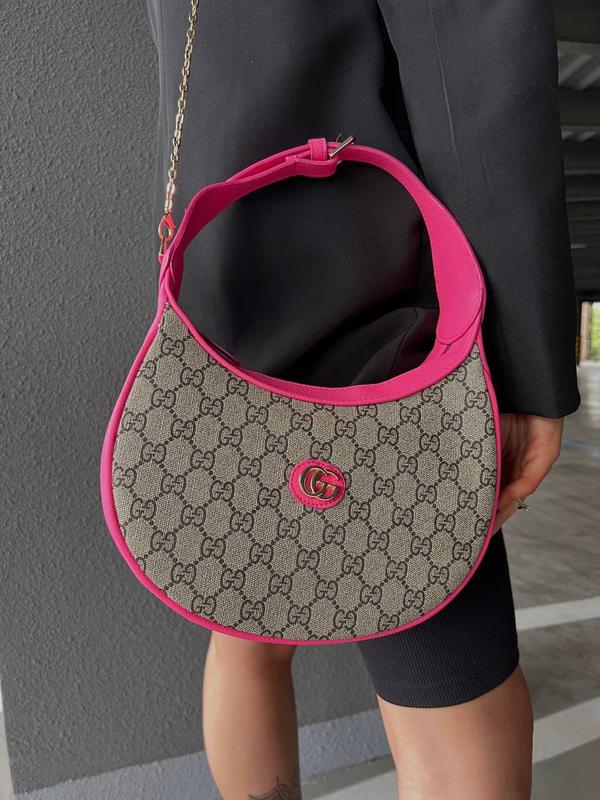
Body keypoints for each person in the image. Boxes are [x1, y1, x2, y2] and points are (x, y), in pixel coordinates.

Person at [142, 2, 580, 798]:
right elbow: (473, 68)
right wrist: (527, 365)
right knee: (451, 715)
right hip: (380, 307)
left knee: (246, 627)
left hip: (224, 291)